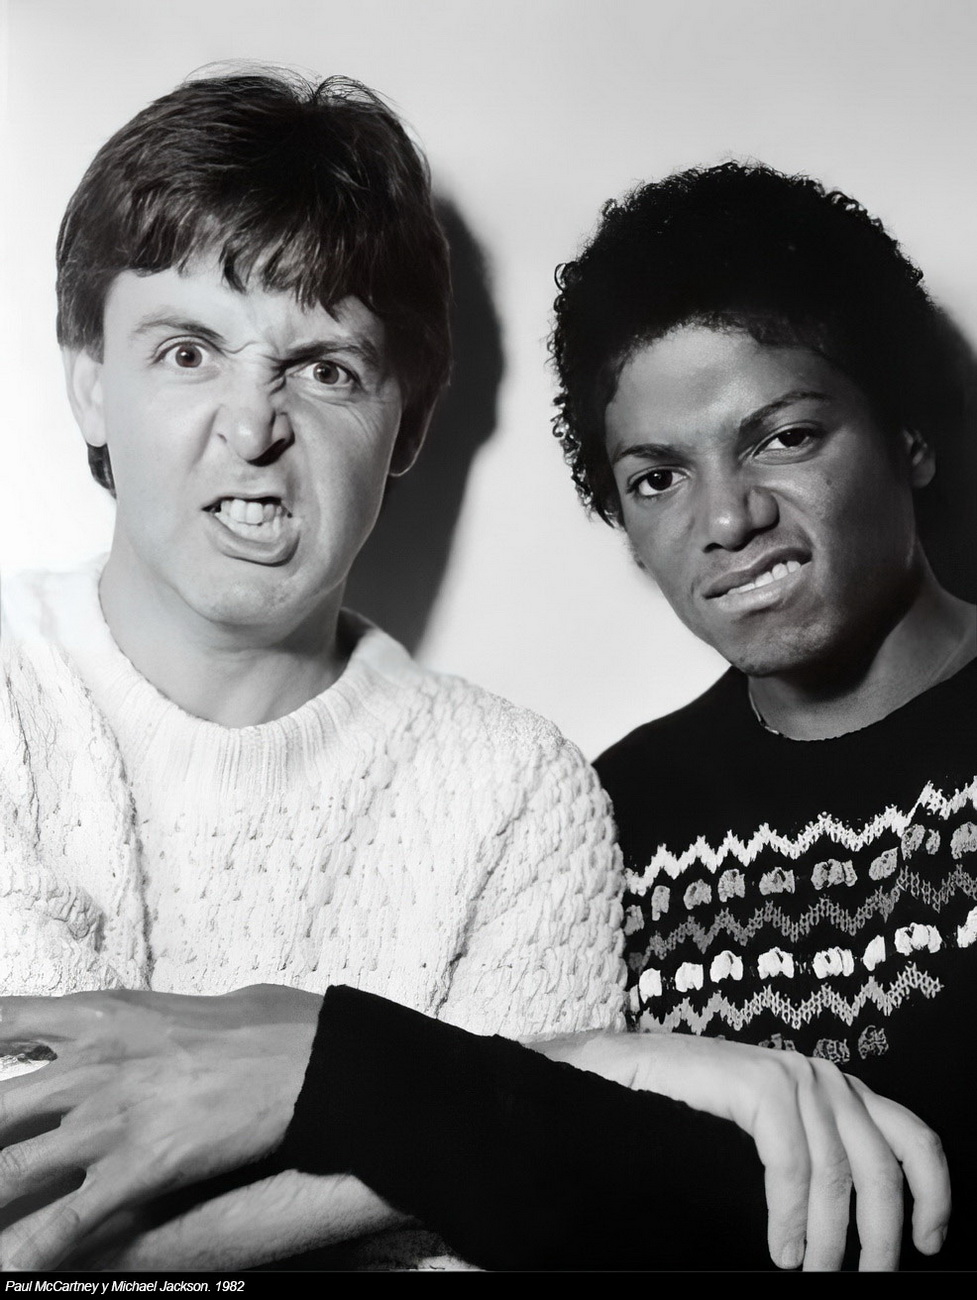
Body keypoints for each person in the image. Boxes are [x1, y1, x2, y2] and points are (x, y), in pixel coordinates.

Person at [0, 85, 953, 1271]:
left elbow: (527, 1221)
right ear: (89, 380)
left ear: (406, 421)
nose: (252, 428)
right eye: (187, 352)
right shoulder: (638, 803)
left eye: (324, 369)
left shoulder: (519, 798)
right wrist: (580, 1075)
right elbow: (29, 1206)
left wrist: (336, 1076)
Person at [554, 162, 976, 1270]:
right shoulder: (603, 820)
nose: (727, 518)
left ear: (908, 436)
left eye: (781, 437)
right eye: (656, 478)